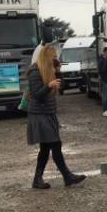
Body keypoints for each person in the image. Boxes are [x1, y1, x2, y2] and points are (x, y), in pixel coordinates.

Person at [27, 46, 86, 189]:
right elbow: (37, 94)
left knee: (46, 148)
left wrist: (58, 72)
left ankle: (38, 179)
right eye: (52, 56)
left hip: (48, 113)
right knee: (55, 144)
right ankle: (67, 176)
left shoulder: (50, 70)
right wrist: (48, 85)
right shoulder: (34, 71)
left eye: (55, 57)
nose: (54, 59)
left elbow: (61, 88)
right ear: (45, 57)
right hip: (39, 114)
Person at [99, 47, 107, 117]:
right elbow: (101, 71)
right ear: (104, 52)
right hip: (105, 80)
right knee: (105, 96)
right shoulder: (101, 60)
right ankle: (105, 110)